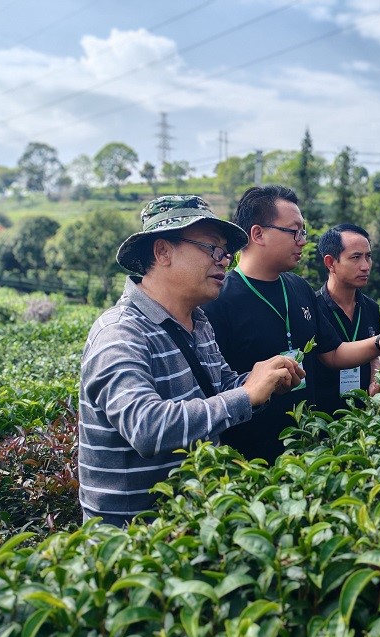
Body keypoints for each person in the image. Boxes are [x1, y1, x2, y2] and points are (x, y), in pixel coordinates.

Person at [78, 195, 305, 526]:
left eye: (225, 252)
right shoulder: (120, 333)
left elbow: (218, 386)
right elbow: (146, 428)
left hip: (189, 521)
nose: (224, 260)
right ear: (163, 252)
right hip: (134, 539)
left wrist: (261, 380)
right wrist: (245, 395)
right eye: (212, 248)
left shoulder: (198, 322)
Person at [202, 185, 380, 463]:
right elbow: (213, 387)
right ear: (258, 234)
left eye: (304, 232)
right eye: (294, 231)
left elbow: (333, 352)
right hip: (249, 457)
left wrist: (379, 342)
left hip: (307, 445)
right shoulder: (219, 299)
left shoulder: (298, 287)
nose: (302, 241)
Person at [314, 223, 380, 415]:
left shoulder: (371, 308)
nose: (365, 266)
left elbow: (374, 352)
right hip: (322, 418)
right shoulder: (312, 308)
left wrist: (376, 377)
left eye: (368, 256)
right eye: (356, 257)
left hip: (363, 416)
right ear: (330, 262)